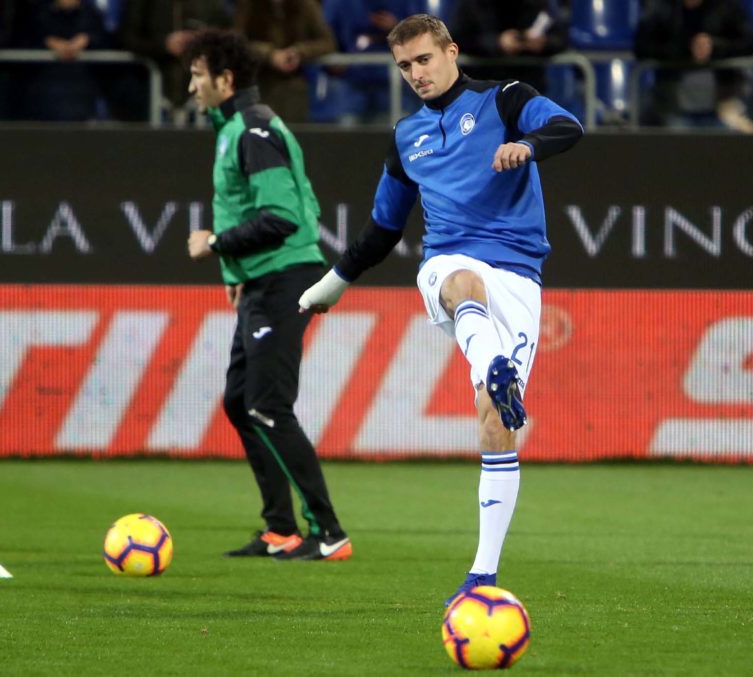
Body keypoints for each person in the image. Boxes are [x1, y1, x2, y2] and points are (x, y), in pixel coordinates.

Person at [297, 14, 582, 601]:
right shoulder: (407, 136)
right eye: (404, 66)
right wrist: (336, 280)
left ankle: (483, 574)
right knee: (458, 279)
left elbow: (567, 126)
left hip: (518, 278)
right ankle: (492, 365)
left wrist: (526, 145)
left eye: (424, 59)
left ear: (452, 50)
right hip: (448, 263)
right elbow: (383, 228)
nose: (416, 74)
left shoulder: (505, 99)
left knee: (496, 421)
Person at [184, 28, 352, 561]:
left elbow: (280, 218)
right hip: (263, 278)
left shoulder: (252, 130)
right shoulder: (236, 127)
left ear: (224, 79)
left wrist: (215, 244)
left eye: (197, 75)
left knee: (268, 405)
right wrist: (236, 269)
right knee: (242, 402)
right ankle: (280, 529)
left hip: (285, 276)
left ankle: (329, 533)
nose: (191, 86)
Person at [633, 0, 753, 132]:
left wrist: (715, 47)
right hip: (673, 108)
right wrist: (684, 49)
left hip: (722, 109)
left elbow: (748, 44)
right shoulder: (662, 7)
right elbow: (642, 47)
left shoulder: (726, 6)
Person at [119, 0, 233, 122]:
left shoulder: (213, 4)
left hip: (203, 92)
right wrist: (164, 45)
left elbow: (228, 35)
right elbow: (128, 38)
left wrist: (204, 40)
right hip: (152, 87)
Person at [233, 0, 337, 123]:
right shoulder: (249, 4)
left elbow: (328, 42)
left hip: (294, 90)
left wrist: (299, 52)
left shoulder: (306, 5)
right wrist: (269, 55)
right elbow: (237, 43)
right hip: (258, 86)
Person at [449, 0, 567, 95]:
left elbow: (561, 38)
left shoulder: (536, 4)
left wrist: (543, 43)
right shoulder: (474, 4)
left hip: (527, 86)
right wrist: (497, 43)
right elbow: (460, 38)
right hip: (483, 85)